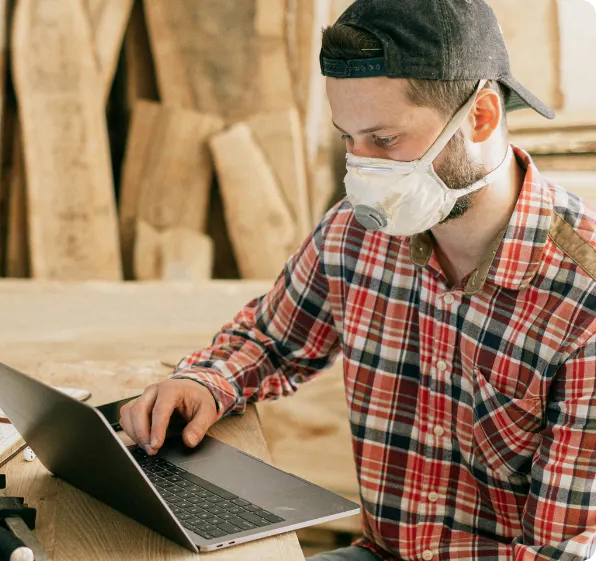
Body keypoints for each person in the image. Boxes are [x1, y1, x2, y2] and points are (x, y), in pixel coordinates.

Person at [119, 0, 596, 559]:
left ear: (481, 116)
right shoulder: (358, 232)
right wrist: (204, 382)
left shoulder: (583, 303)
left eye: (385, 141)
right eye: (348, 140)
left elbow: (560, 552)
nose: (364, 169)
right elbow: (272, 342)